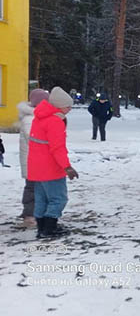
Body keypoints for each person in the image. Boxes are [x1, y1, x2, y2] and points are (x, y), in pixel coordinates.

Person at [28, 86, 79, 238]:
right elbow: (57, 148)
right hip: (51, 168)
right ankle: (50, 228)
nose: (70, 109)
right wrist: (67, 167)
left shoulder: (39, 118)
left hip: (37, 167)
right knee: (58, 198)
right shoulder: (54, 121)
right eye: (67, 106)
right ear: (58, 106)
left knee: (41, 199)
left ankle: (41, 228)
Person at [17, 89, 49, 227]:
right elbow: (34, 138)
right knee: (32, 188)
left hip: (37, 159)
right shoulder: (30, 119)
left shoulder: (36, 117)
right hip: (32, 161)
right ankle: (29, 215)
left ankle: (36, 213)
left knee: (38, 188)